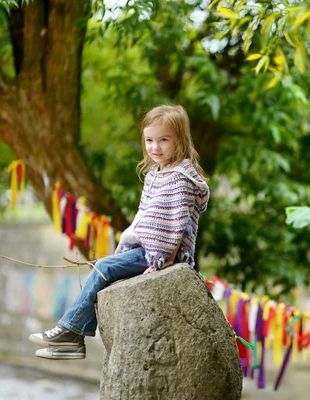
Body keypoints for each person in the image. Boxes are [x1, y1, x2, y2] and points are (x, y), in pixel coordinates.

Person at [29, 105, 210, 360]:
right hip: (143, 248)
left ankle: (69, 332)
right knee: (107, 267)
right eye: (149, 140)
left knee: (104, 267)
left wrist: (165, 259)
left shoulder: (181, 179)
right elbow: (142, 217)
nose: (155, 147)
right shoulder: (155, 175)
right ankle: (72, 340)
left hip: (159, 254)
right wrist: (125, 242)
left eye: (163, 140)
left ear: (179, 140)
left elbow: (177, 222)